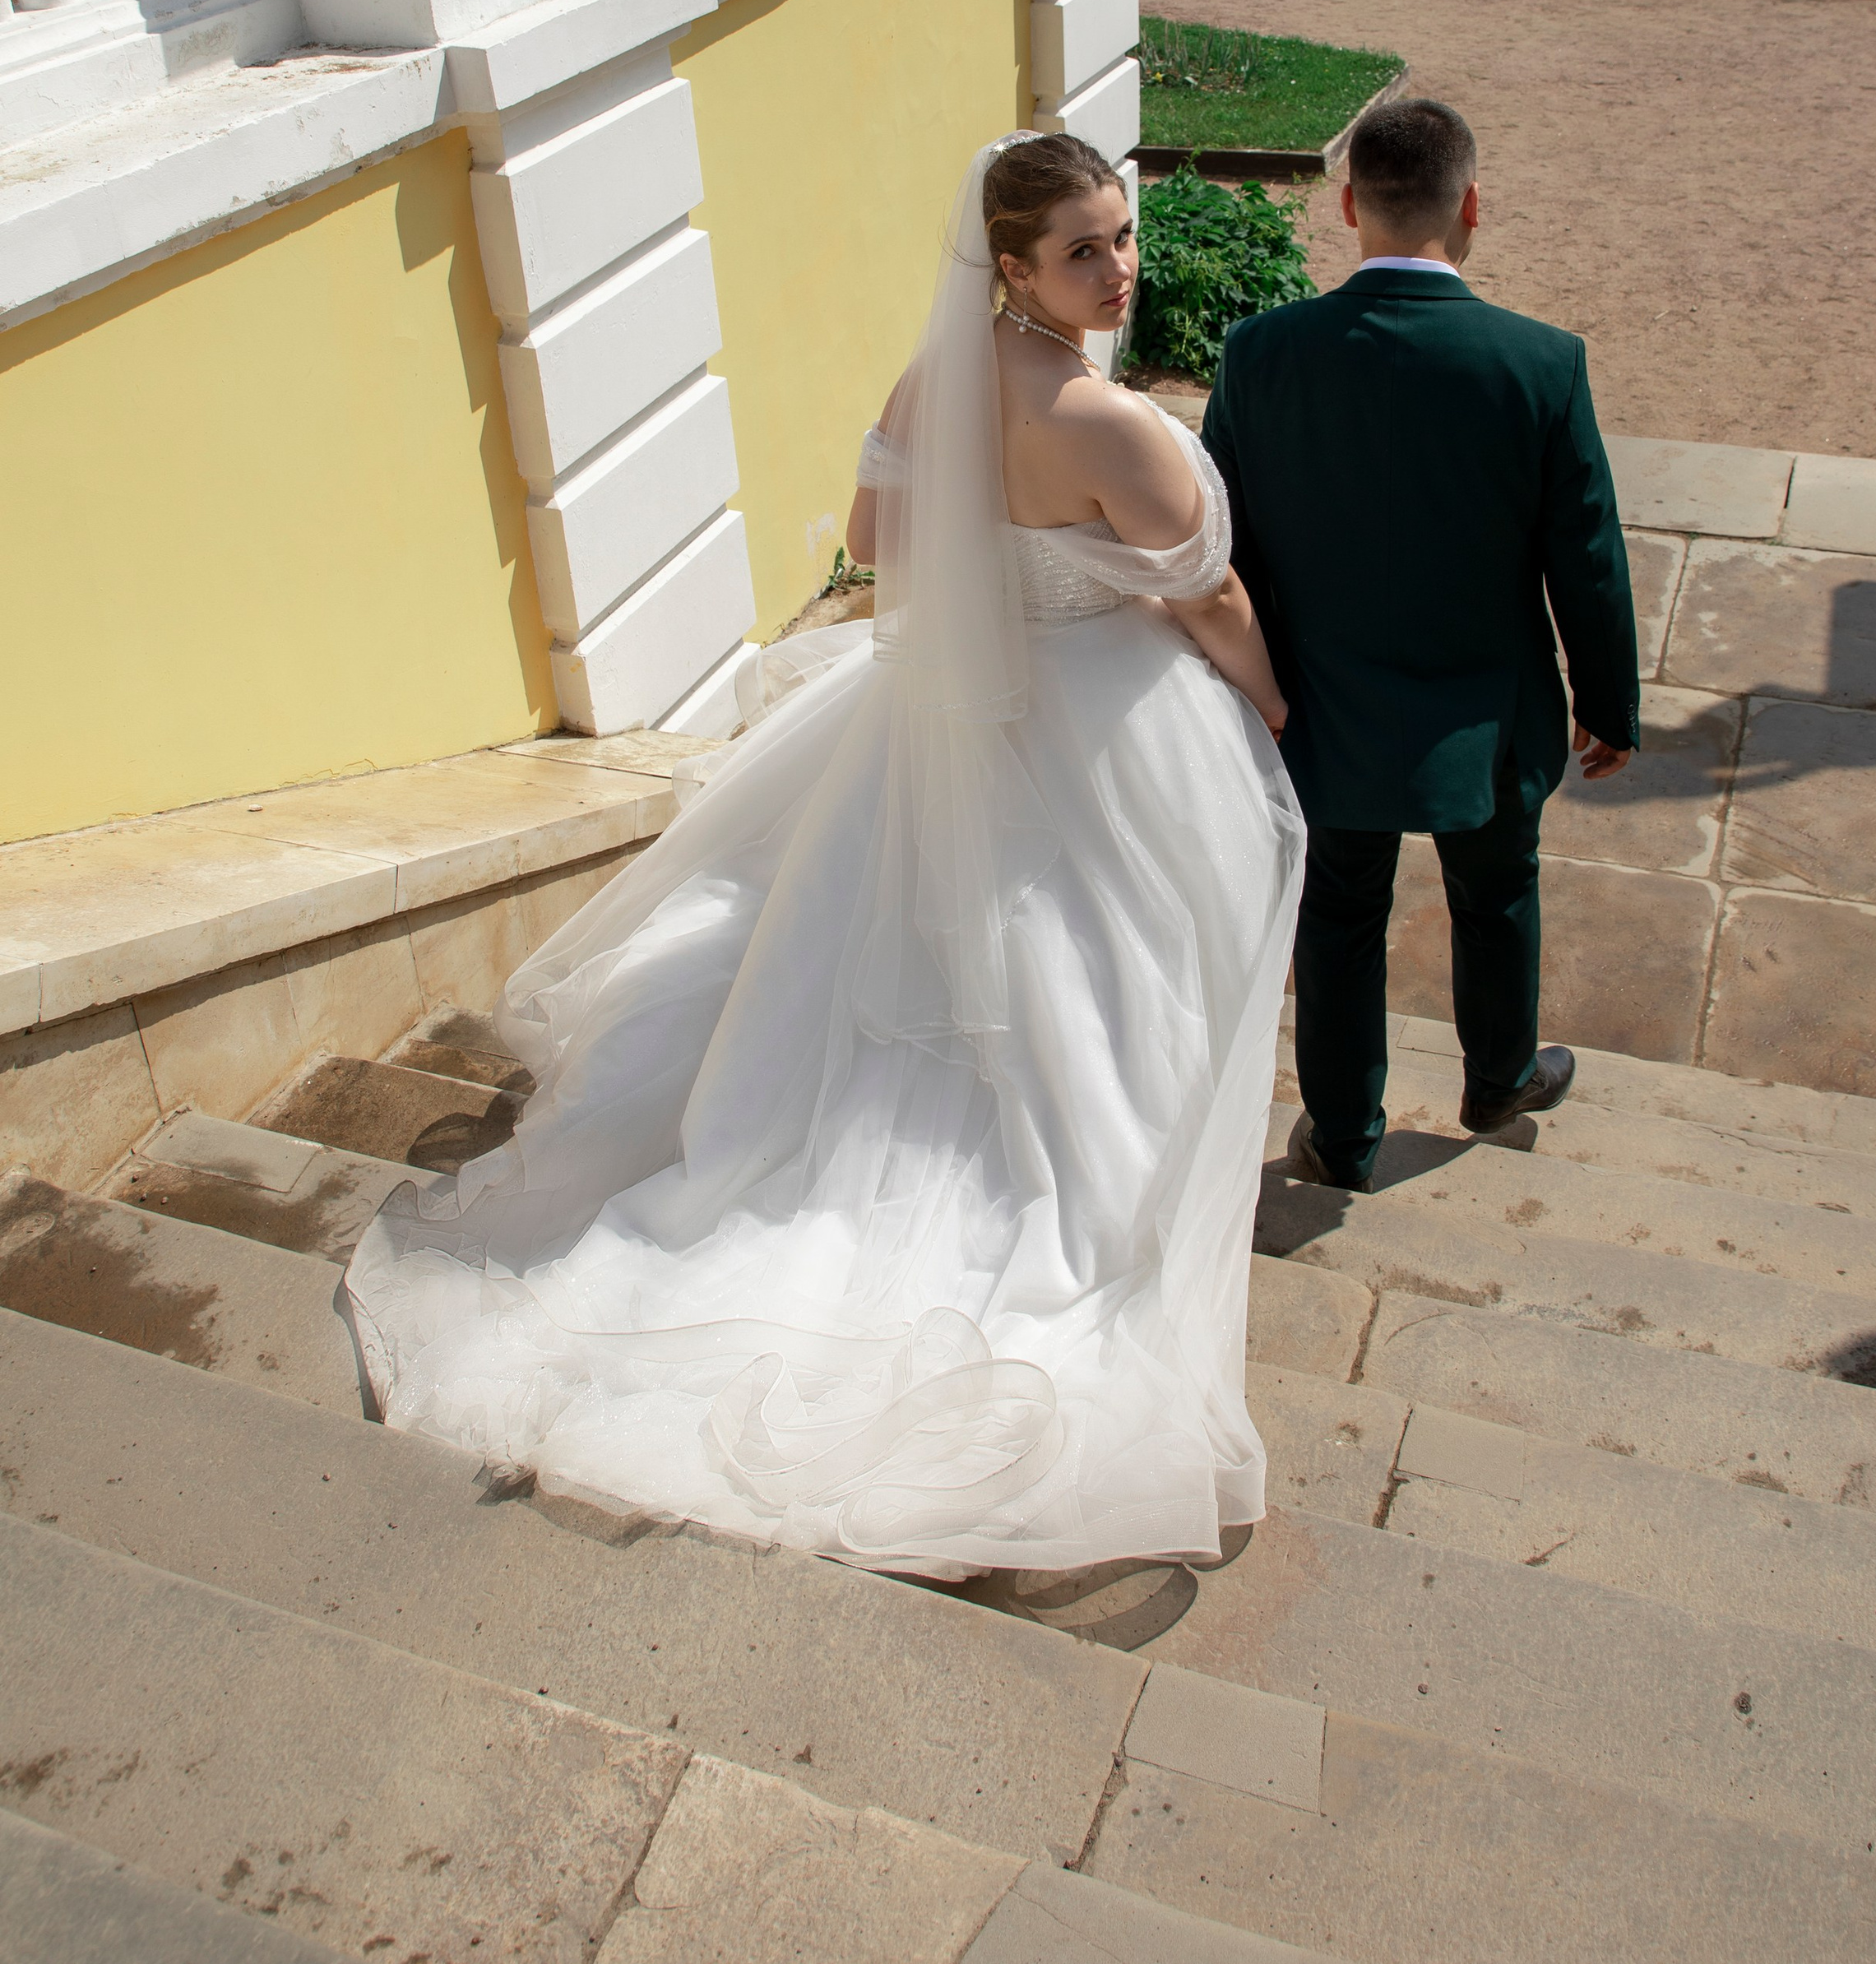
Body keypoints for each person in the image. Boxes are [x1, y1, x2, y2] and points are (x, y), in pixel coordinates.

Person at [347, 134, 1303, 1579]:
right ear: (1012, 265)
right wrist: (1273, 704)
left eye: (1120, 234)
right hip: (1109, 723)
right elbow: (1208, 596)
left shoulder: (937, 377)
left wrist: (993, 569)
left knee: (894, 963)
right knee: (1115, 983)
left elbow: (871, 532)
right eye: (1082, 251)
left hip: (949, 719)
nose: (1119, 268)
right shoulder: (1106, 421)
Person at [1202, 94, 1639, 1188]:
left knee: (1337, 917)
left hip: (1319, 711)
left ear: (1349, 204)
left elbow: (1223, 544)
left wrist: (1244, 691)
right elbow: (1586, 554)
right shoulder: (1541, 364)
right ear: (1472, 204)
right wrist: (1608, 703)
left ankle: (1342, 1134)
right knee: (1497, 896)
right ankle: (1498, 1079)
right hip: (1485, 720)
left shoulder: (1259, 353)